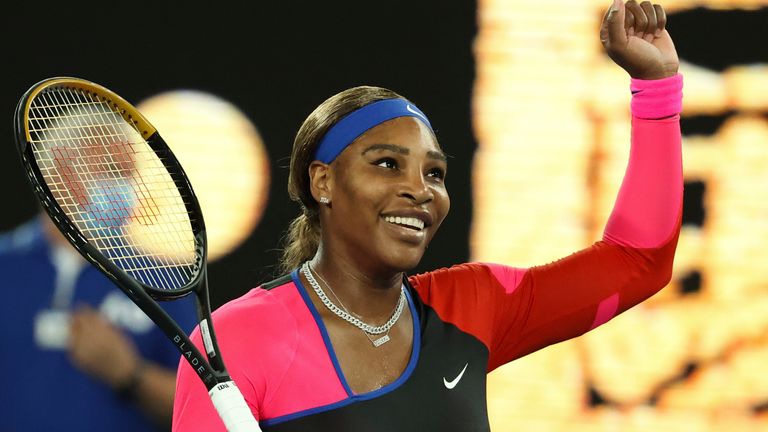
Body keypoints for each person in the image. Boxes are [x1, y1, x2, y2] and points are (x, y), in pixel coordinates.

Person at [173, 0, 683, 430]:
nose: (419, 190)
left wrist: (657, 89)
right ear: (322, 181)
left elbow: (638, 260)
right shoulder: (236, 341)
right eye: (388, 165)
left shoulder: (472, 307)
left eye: (434, 174)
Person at [0, 213, 198, 431]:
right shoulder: (6, 263)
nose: (107, 181)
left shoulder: (159, 277)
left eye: (122, 175)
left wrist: (131, 374)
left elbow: (203, 405)